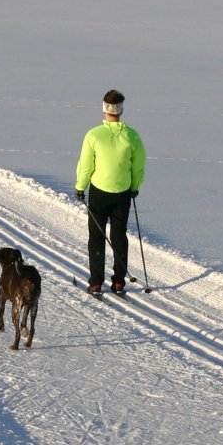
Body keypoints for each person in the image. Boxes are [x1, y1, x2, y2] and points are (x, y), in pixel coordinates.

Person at [74, 89, 146, 293]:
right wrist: (134, 187)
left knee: (96, 237)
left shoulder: (94, 135)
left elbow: (86, 165)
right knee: (119, 236)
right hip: (123, 193)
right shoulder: (132, 136)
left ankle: (96, 282)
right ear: (121, 110)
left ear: (104, 108)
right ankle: (119, 281)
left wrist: (80, 186)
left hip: (99, 192)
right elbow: (138, 165)